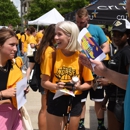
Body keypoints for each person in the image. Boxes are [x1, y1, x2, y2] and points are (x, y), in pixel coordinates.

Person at [41, 21, 94, 130]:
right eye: (55, 34)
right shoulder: (52, 55)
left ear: (71, 36)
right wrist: (56, 86)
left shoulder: (82, 56)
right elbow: (44, 82)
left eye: (59, 34)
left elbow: (89, 83)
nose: (55, 37)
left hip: (75, 100)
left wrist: (79, 87)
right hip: (56, 98)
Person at [76, 8, 110, 130]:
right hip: (80, 72)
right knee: (81, 100)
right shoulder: (74, 31)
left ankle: (100, 125)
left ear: (88, 19)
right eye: (78, 22)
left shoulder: (96, 29)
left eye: (82, 23)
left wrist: (96, 56)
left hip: (96, 71)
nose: (80, 25)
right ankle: (80, 125)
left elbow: (106, 47)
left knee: (99, 99)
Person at [98, 19, 130, 130]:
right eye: (114, 34)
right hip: (112, 99)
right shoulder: (118, 51)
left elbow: (129, 79)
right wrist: (106, 98)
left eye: (120, 35)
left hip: (121, 102)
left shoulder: (127, 53)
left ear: (128, 35)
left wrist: (109, 81)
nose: (116, 38)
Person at [0, 28, 27, 129]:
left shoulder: (14, 65)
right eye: (11, 45)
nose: (16, 49)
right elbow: (6, 92)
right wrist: (3, 93)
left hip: (15, 113)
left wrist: (22, 91)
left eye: (16, 45)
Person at [35, 24, 56, 130]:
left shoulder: (44, 47)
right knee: (45, 109)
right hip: (46, 81)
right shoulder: (49, 50)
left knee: (44, 108)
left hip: (44, 80)